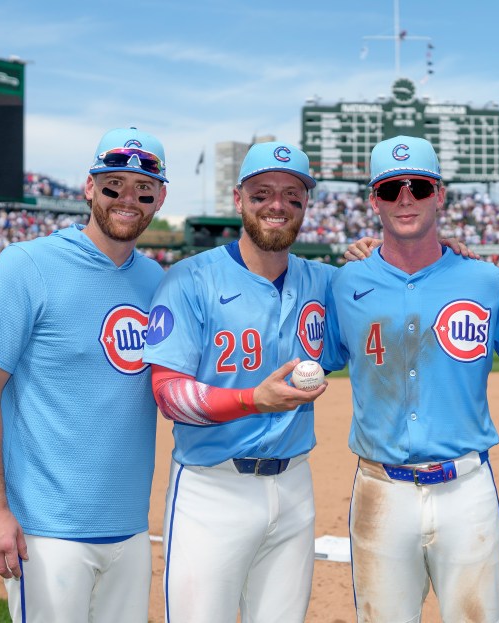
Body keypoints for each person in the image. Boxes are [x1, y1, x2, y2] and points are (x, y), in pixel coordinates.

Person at [322, 136, 499, 622]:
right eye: (390, 188)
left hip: (466, 489)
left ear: (439, 195)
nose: (405, 198)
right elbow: (314, 358)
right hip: (380, 489)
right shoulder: (344, 282)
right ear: (373, 199)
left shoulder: (486, 281)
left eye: (418, 186)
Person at [0, 127, 169, 622]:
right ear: (89, 187)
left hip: (131, 529)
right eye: (114, 185)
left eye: (143, 190)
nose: (128, 199)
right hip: (47, 532)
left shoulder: (158, 281)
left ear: (160, 198)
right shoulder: (26, 264)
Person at [143, 141, 331, 623]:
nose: (278, 205)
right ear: (238, 198)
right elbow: (169, 395)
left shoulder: (325, 282)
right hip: (213, 488)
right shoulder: (189, 280)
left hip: (294, 487)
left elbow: (393, 285)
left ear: (306, 204)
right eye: (262, 192)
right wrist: (253, 399)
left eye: (293, 194)